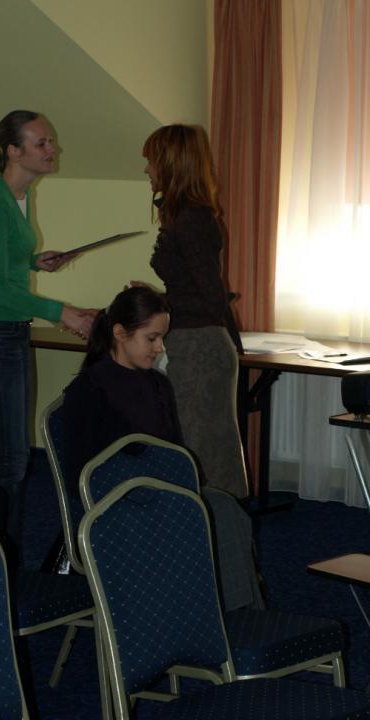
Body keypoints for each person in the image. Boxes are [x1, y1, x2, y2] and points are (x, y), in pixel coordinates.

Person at [63, 286, 264, 612]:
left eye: (162, 338)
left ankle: (234, 615)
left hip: (158, 489)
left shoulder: (157, 384)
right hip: (117, 501)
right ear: (120, 333)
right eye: (152, 338)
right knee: (212, 514)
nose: (160, 348)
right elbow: (81, 475)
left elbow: (174, 450)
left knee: (225, 507)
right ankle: (228, 616)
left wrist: (178, 480)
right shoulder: (89, 390)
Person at [0, 109, 95, 555]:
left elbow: (3, 266)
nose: (52, 148)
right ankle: (0, 556)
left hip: (7, 331)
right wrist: (62, 312)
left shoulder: (20, 195)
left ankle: (4, 549)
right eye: (42, 143)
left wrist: (34, 261)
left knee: (13, 451)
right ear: (13, 152)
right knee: (11, 457)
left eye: (50, 141)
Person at [142, 124, 249, 498]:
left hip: (201, 349)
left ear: (170, 164)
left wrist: (159, 302)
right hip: (193, 345)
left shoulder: (193, 220)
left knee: (203, 456)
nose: (147, 170)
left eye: (151, 161)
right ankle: (208, 526)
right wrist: (159, 298)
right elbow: (196, 290)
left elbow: (211, 301)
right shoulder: (186, 216)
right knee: (200, 451)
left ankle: (216, 529)